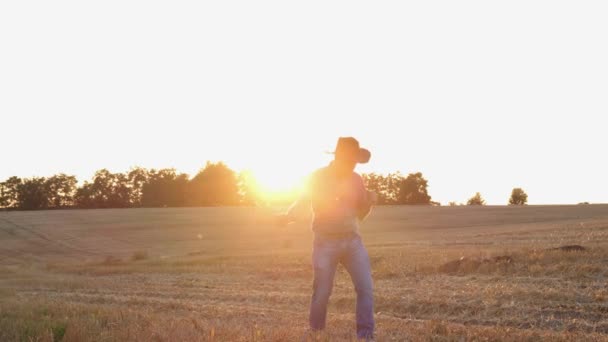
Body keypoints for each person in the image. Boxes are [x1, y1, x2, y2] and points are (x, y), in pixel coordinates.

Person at [277, 137, 378, 340]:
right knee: (322, 292)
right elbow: (303, 200)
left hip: (352, 241)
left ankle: (365, 336)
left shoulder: (356, 179)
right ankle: (316, 334)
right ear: (339, 158)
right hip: (325, 242)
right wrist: (288, 216)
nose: (353, 164)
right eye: (350, 160)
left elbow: (360, 215)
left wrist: (369, 203)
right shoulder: (318, 177)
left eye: (355, 161)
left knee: (366, 288)